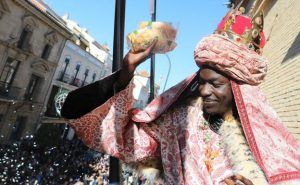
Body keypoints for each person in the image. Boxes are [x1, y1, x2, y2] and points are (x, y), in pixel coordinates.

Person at [61, 7, 300, 185]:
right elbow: (122, 139)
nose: (204, 91)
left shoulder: (274, 148)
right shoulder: (179, 122)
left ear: (240, 90)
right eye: (202, 81)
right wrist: (126, 73)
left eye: (215, 84)